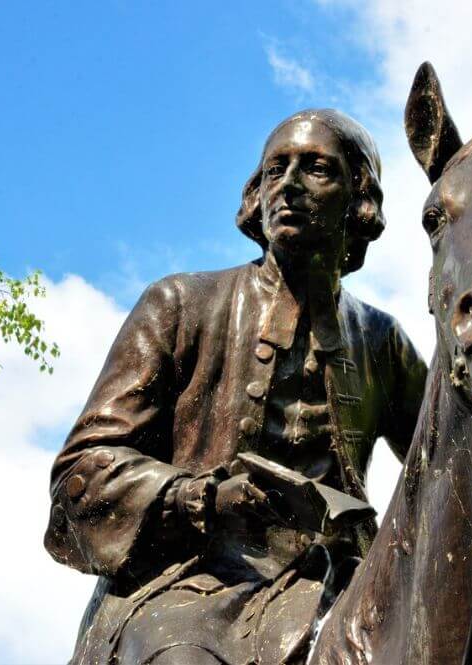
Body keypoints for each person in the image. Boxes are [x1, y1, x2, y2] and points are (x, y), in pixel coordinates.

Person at [44, 109, 427, 665]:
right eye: (275, 170)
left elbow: (447, 468)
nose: (289, 186)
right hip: (189, 585)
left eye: (316, 169)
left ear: (359, 198)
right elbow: (83, 469)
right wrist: (199, 498)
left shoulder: (382, 340)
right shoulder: (179, 304)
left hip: (336, 589)